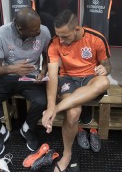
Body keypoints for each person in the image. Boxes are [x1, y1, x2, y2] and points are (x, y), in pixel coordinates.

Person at [0, 7, 51, 156]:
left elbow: (48, 58)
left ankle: (27, 129)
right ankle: (0, 133)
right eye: (35, 29)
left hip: (31, 77)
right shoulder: (0, 34)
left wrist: (43, 72)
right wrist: (13, 69)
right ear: (20, 28)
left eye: (39, 26)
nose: (39, 31)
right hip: (6, 76)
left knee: (41, 101)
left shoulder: (44, 31)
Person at [42, 9, 111, 172]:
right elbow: (52, 76)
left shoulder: (96, 38)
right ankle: (67, 154)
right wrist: (50, 105)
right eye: (58, 35)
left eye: (65, 36)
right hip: (68, 79)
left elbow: (108, 65)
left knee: (104, 82)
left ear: (77, 29)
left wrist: (104, 69)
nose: (61, 40)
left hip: (90, 77)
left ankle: (59, 109)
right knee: (73, 113)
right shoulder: (55, 43)